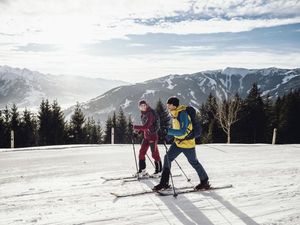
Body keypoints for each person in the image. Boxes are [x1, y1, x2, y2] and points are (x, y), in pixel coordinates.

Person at [153, 96, 210, 191]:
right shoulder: (174, 114)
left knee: (193, 162)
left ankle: (205, 181)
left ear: (174, 105)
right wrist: (166, 135)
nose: (167, 106)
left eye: (169, 105)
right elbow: (175, 129)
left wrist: (168, 131)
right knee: (167, 158)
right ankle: (164, 183)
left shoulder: (182, 114)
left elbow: (183, 131)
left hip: (187, 144)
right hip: (178, 143)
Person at [133, 100, 162, 177]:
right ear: (139, 107)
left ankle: (159, 171)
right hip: (146, 137)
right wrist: (138, 132)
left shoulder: (150, 114)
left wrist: (134, 127)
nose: (143, 107)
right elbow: (145, 127)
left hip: (153, 136)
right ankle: (143, 171)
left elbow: (146, 126)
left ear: (147, 105)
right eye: (141, 106)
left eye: (144, 105)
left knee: (154, 154)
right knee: (141, 153)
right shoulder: (143, 114)